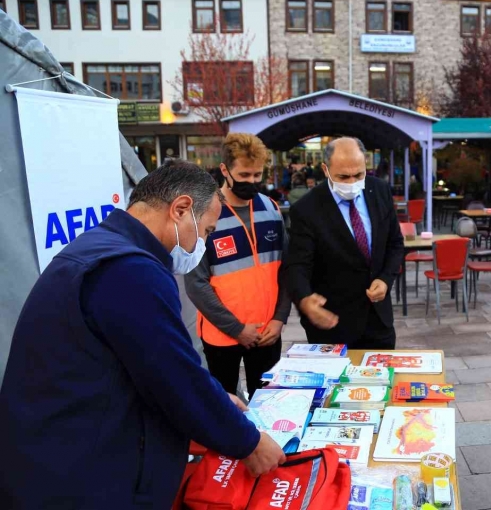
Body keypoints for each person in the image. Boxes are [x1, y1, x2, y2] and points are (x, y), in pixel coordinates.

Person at [0, 161, 285, 508]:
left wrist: (216, 399)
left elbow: (150, 360)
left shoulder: (105, 246)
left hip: (55, 454)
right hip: (77, 475)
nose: (205, 244)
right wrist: (250, 443)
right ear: (180, 210)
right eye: (208, 231)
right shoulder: (130, 271)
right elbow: (174, 377)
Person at [186, 134, 290, 399]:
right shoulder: (204, 215)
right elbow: (196, 284)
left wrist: (279, 319)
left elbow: (286, 269)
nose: (252, 182)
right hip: (222, 336)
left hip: (267, 333)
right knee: (223, 408)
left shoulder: (271, 208)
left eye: (258, 175)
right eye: (244, 174)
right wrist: (237, 329)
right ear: (224, 170)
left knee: (268, 405)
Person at [287, 137, 404, 348]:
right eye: (343, 176)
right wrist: (305, 300)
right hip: (332, 324)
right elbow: (297, 264)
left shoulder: (379, 190)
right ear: (326, 170)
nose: (352, 183)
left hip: (379, 321)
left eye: (358, 175)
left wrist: (386, 279)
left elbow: (395, 243)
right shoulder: (306, 209)